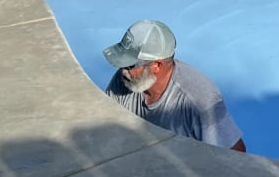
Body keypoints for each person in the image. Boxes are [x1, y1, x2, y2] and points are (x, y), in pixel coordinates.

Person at [104, 20, 246, 150]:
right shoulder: (126, 79)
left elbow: (236, 155)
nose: (123, 70)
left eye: (131, 65)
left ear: (157, 65)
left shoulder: (199, 101)